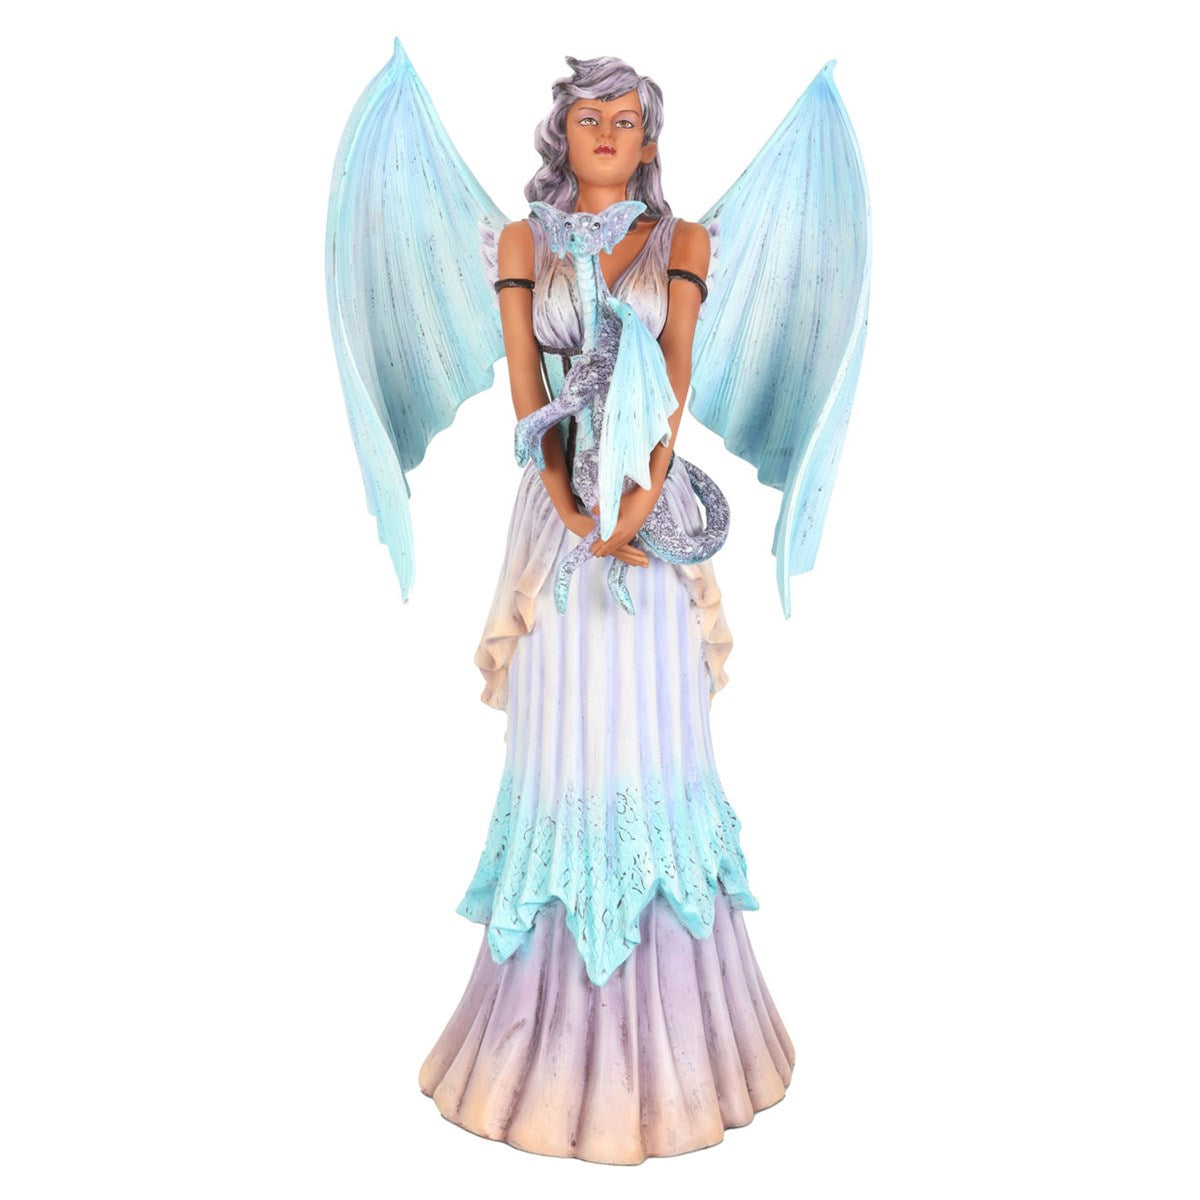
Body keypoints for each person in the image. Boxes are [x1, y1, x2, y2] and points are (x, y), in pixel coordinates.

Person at [417, 54, 795, 1166]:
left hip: (651, 519)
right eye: (591, 117)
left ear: (648, 141)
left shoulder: (683, 244)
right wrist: (569, 508)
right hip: (558, 530)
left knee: (654, 743)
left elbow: (671, 388)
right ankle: (532, 1039)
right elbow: (530, 400)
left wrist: (631, 506)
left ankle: (689, 1042)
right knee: (561, 751)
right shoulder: (523, 245)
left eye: (627, 120)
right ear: (562, 131)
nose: (608, 134)